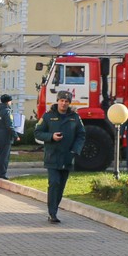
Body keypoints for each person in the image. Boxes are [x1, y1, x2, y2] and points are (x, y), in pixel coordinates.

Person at [34, 89, 85, 223]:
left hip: (67, 156)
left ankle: (54, 209)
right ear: (57, 101)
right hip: (52, 156)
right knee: (54, 183)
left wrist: (75, 150)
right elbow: (38, 132)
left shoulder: (75, 117)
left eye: (66, 101)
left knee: (61, 186)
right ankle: (52, 213)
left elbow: (81, 135)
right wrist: (51, 136)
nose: (64, 103)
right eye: (62, 101)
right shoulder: (48, 116)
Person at [0, 94, 20, 179]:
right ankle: (2, 174)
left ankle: (0, 172)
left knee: (0, 155)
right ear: (8, 102)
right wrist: (16, 136)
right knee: (4, 156)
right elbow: (9, 125)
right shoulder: (7, 111)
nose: (11, 103)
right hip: (6, 137)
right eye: (10, 101)